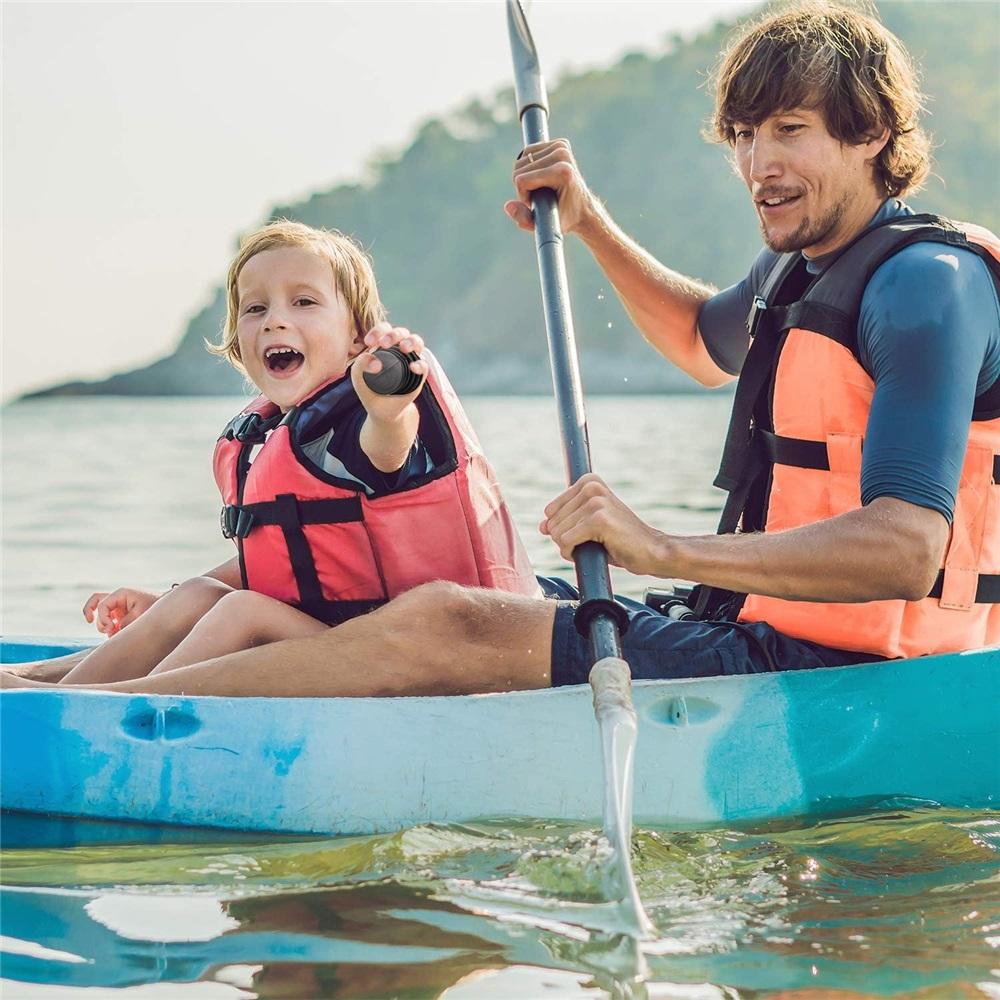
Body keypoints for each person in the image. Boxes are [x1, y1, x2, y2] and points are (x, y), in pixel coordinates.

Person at [5, 1, 998, 698]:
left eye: (789, 130)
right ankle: (50, 684)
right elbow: (703, 343)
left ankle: (98, 719)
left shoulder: (927, 287)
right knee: (476, 592)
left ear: (872, 134)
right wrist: (587, 220)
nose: (757, 163)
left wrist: (657, 546)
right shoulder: (805, 268)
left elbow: (906, 550)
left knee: (451, 619)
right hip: (748, 627)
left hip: (848, 678)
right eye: (741, 134)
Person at [6, 221, 538, 685]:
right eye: (255, 308)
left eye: (304, 302)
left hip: (417, 656)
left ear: (356, 339)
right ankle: (37, 683)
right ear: (239, 345)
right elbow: (282, 556)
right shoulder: (284, 433)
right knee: (199, 593)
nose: (274, 320)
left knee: (241, 613)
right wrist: (165, 612)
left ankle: (90, 707)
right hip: (335, 640)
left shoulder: (365, 420)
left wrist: (389, 407)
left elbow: (389, 449)